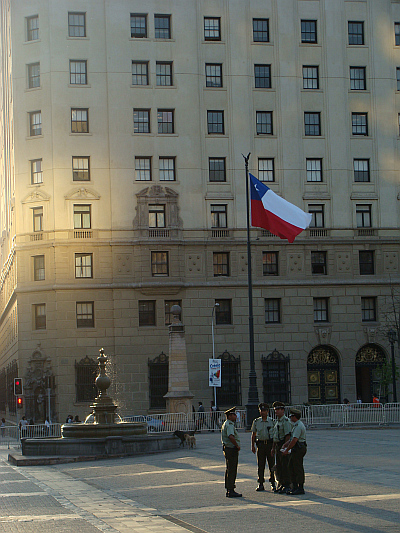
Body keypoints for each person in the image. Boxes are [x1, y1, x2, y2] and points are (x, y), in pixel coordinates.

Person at [281, 408, 307, 495]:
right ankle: (295, 486)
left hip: (299, 448)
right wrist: (286, 444)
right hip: (296, 448)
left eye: (291, 416)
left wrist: (287, 449)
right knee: (291, 466)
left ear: (294, 417)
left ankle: (300, 487)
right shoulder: (296, 425)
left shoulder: (299, 426)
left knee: (297, 467)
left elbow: (295, 440)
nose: (290, 418)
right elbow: (292, 438)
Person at [251, 403, 276, 491]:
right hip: (260, 445)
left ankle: (273, 482)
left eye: (265, 411)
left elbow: (275, 435)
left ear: (268, 411)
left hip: (269, 445)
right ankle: (261, 483)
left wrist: (274, 447)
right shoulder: (256, 421)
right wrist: (253, 446)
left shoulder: (272, 421)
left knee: (271, 464)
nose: (263, 412)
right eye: (261, 411)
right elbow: (253, 434)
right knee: (261, 465)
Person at [221, 406, 242, 498]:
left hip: (228, 448)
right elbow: (231, 436)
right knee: (232, 469)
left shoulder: (227, 423)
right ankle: (231, 489)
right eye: (234, 415)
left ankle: (229, 488)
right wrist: (237, 445)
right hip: (231, 449)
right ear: (230, 416)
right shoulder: (229, 425)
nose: (235, 416)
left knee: (229, 468)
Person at [271, 401, 292, 494]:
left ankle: (287, 484)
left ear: (282, 410)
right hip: (278, 445)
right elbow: (275, 437)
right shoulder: (277, 422)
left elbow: (288, 435)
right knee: (279, 466)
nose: (276, 411)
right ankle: (282, 484)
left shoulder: (285, 421)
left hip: (283, 444)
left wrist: (285, 448)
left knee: (285, 466)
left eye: (278, 410)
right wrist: (273, 448)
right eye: (275, 410)